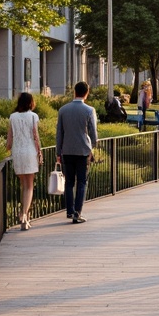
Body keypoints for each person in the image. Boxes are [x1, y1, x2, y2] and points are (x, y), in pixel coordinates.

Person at [55, 81, 98, 224]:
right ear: (87, 93)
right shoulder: (89, 110)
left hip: (66, 150)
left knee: (69, 182)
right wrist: (93, 146)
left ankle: (69, 210)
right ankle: (77, 212)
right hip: (83, 151)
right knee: (81, 182)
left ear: (75, 92)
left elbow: (59, 133)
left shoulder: (63, 110)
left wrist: (58, 151)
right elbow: (93, 133)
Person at [5, 92, 43, 231]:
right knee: (29, 186)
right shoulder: (33, 116)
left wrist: (6, 151)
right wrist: (40, 152)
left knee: (23, 185)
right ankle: (25, 216)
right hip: (30, 152)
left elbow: (9, 141)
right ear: (31, 102)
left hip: (18, 153)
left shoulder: (13, 117)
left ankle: (23, 214)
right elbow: (36, 136)